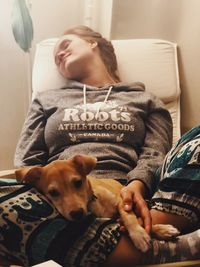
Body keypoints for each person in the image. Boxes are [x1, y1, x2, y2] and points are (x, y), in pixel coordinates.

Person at [0, 26, 199, 267]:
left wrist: (138, 185)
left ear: (93, 42)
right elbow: (28, 161)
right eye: (55, 56)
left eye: (65, 45)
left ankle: (114, 236)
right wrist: (51, 193)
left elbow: (155, 153)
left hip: (133, 194)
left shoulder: (144, 99)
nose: (59, 55)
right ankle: (153, 246)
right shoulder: (47, 100)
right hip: (60, 205)